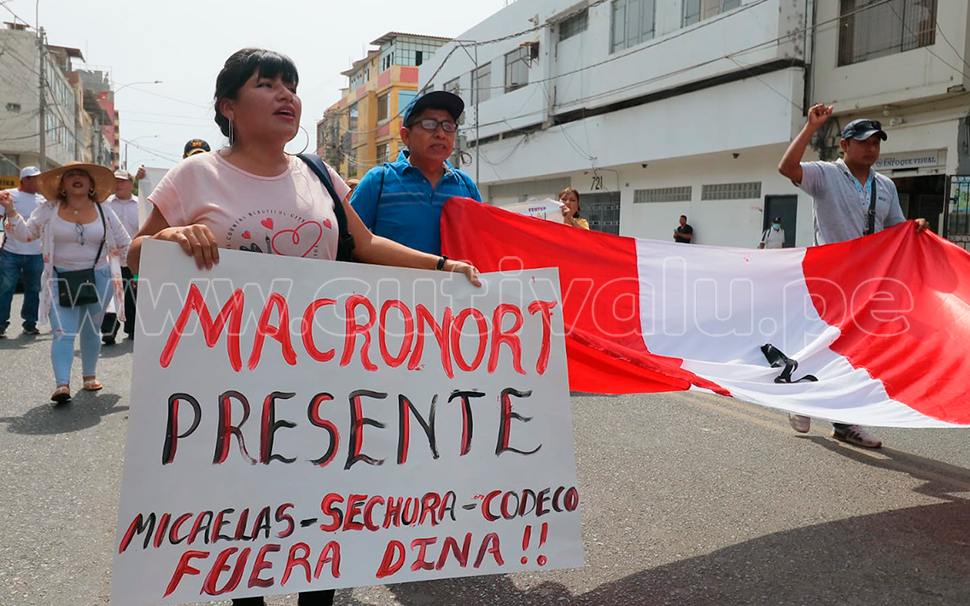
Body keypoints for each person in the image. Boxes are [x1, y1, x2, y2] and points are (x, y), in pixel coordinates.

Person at [127, 48, 480, 606]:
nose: (285, 95)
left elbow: (365, 243)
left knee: (320, 507)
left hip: (323, 373)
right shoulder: (195, 174)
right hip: (233, 381)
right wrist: (168, 238)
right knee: (246, 508)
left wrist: (442, 266)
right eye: (267, 84)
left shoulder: (318, 173)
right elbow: (136, 254)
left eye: (290, 86)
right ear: (228, 106)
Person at [778, 105, 929, 448]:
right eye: (864, 142)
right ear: (844, 145)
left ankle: (846, 423)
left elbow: (895, 231)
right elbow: (787, 168)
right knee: (823, 341)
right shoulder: (824, 174)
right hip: (829, 277)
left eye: (876, 142)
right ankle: (800, 397)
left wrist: (914, 227)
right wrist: (811, 128)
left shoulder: (886, 186)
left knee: (856, 352)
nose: (871, 148)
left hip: (868, 283)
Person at [0, 162, 131, 403]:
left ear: (91, 184)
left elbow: (125, 243)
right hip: (59, 278)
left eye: (82, 175)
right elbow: (26, 234)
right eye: (71, 175)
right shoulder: (48, 209)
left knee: (91, 329)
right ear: (62, 184)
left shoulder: (104, 210)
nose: (76, 178)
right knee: (62, 332)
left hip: (99, 278)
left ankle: (89, 376)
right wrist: (10, 210)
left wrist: (140, 271)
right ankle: (62, 384)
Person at [350, 90, 483, 255]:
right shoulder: (378, 181)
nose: (441, 134)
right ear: (406, 136)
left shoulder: (466, 186)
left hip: (454, 274)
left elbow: (482, 244)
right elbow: (349, 242)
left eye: (448, 126)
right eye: (430, 124)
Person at [100, 168, 144, 344]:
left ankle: (132, 329)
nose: (118, 184)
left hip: (132, 257)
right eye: (115, 181)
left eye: (122, 181)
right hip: (109, 258)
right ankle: (109, 330)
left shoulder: (141, 204)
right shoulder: (106, 204)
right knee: (110, 295)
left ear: (131, 184)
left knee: (132, 294)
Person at [0, 166, 45, 337]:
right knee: (6, 288)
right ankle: (1, 323)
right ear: (25, 180)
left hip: (36, 253)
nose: (38, 182)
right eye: (35, 178)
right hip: (11, 252)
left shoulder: (42, 200)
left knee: (33, 289)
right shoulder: (9, 196)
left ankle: (30, 323)